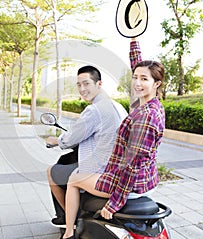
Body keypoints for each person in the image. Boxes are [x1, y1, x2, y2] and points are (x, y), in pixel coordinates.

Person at [61, 59, 166, 239]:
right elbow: (138, 64)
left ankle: (69, 232)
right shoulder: (152, 105)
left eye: (144, 79)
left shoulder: (145, 118)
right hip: (147, 180)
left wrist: (114, 203)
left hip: (131, 184)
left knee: (73, 180)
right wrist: (133, 35)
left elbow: (132, 165)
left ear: (156, 83)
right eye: (135, 77)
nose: (138, 83)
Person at [46, 65, 128, 227]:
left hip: (100, 169)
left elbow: (70, 138)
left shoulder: (94, 110)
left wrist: (55, 140)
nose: (82, 89)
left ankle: (71, 218)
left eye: (87, 83)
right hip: (117, 167)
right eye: (79, 85)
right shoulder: (118, 106)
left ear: (99, 84)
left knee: (51, 172)